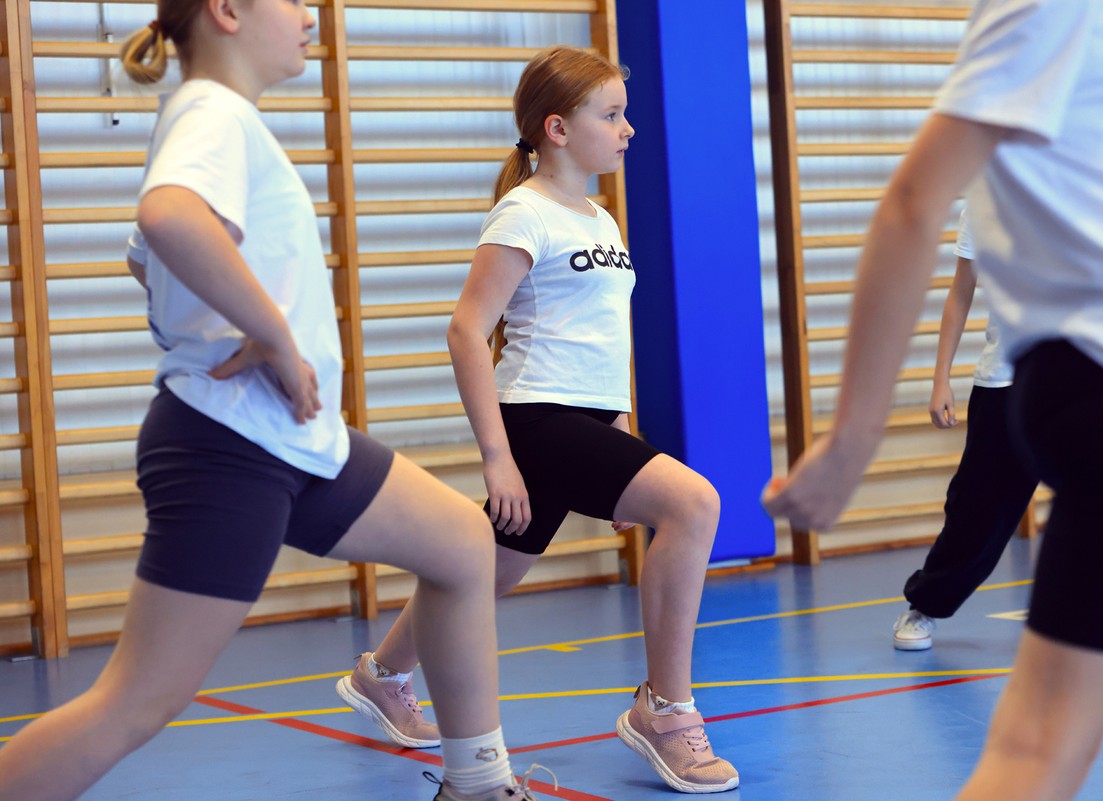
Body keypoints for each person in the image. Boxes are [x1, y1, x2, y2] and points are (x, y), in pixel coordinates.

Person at [0, 3, 548, 800]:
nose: (308, 18)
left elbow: (144, 257)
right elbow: (166, 218)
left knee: (463, 542)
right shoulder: (213, 112)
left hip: (295, 440)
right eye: (289, 1)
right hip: (229, 444)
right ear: (227, 11)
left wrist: (220, 318)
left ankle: (480, 783)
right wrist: (273, 334)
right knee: (137, 700)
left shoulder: (216, 120)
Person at [762, 2, 1103, 799]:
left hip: (1090, 381)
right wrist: (852, 439)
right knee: (1036, 750)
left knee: (1033, 752)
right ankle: (930, 603)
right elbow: (911, 204)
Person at [336, 45, 738, 795]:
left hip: (584, 420)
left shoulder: (601, 218)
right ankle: (665, 710)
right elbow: (467, 330)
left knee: (482, 572)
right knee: (695, 503)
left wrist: (619, 434)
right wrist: (498, 457)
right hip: (536, 419)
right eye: (611, 115)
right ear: (557, 128)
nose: (628, 130)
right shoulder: (523, 212)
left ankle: (381, 674)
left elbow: (601, 339)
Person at [893, 208, 1103, 666]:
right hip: (1007, 380)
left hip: (1096, 378)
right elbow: (960, 292)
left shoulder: (1100, 193)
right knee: (978, 512)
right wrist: (941, 379)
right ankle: (926, 606)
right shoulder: (987, 201)